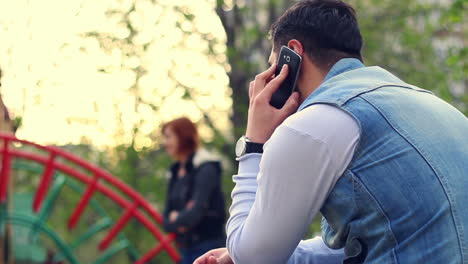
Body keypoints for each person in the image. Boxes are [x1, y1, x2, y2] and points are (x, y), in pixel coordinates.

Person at [195, 0, 468, 263]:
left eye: (273, 63)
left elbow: (254, 258)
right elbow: (375, 240)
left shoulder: (313, 125)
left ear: (293, 54)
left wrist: (254, 143)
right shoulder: (430, 104)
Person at [161, 117, 226, 264]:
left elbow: (196, 212)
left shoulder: (205, 168)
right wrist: (181, 221)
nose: (165, 143)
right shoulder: (175, 172)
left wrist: (176, 218)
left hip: (209, 249)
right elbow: (165, 219)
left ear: (183, 136)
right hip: (186, 249)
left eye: (168, 137)